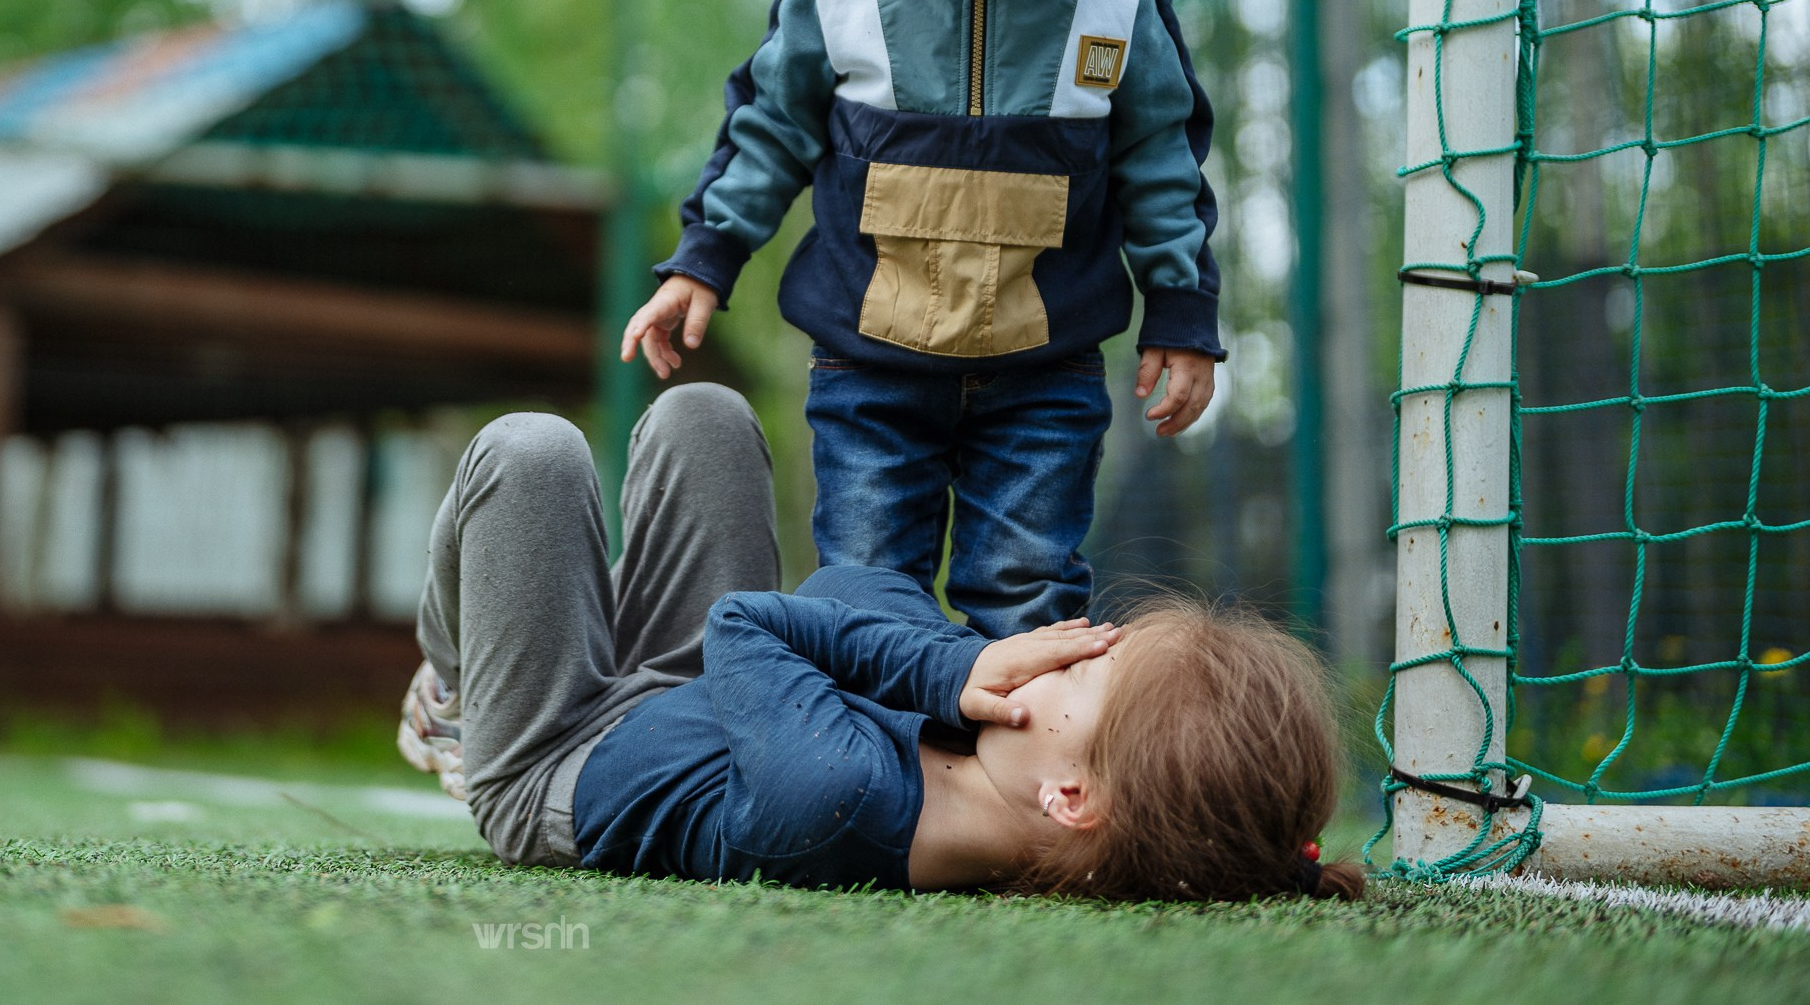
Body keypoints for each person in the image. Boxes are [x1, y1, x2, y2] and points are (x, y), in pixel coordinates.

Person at [620, 0, 1226, 636]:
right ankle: (885, 788)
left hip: (1045, 373)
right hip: (869, 368)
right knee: (863, 594)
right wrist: (704, 256)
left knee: (1029, 595)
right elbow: (767, 127)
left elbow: (1159, 159)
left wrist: (1180, 313)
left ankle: (1010, 793)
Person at [398, 386, 1359, 901]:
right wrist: (952, 674)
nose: (1053, 649)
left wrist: (948, 662)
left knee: (531, 452)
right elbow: (852, 590)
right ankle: (537, 637)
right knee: (708, 417)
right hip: (694, 704)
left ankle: (459, 699)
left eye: (1084, 671)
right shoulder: (987, 749)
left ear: (1071, 795)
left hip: (560, 762)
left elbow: (752, 620)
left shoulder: (839, 794)